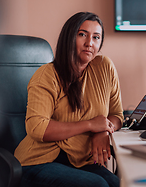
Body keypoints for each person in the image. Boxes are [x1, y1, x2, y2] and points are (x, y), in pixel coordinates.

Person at [14, 12, 124, 187]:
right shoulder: (46, 75)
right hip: (38, 161)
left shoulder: (104, 67)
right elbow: (37, 128)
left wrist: (102, 131)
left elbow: (117, 115)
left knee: (118, 183)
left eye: (96, 37)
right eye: (82, 35)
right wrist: (90, 125)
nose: (90, 43)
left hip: (80, 161)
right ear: (69, 37)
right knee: (97, 185)